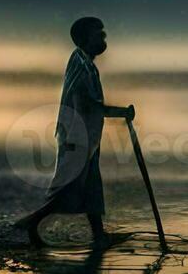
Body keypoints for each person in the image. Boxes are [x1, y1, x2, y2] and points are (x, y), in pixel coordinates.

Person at [16, 16, 135, 247]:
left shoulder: (86, 62)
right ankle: (32, 222)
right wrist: (121, 112)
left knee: (91, 188)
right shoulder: (81, 66)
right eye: (98, 34)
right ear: (83, 39)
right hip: (77, 138)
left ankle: (99, 236)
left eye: (103, 33)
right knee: (68, 189)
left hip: (87, 139)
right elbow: (87, 104)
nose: (103, 38)